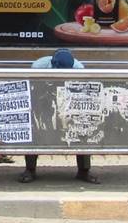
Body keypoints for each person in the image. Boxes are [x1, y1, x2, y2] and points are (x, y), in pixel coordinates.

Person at [18, 48, 97, 184]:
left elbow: (82, 92)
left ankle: (84, 170)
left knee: (82, 128)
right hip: (43, 99)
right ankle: (30, 169)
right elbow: (33, 88)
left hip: (69, 101)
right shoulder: (39, 65)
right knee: (35, 127)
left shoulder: (79, 68)